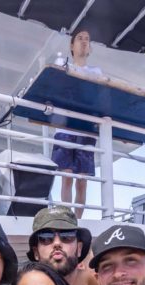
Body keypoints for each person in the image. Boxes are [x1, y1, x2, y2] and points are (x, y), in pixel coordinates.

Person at [52, 30, 103, 219]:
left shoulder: (96, 72)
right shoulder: (63, 67)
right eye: (80, 39)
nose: (84, 42)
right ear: (71, 46)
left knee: (82, 179)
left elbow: (96, 96)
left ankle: (78, 220)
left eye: (87, 39)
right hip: (65, 127)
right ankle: (66, 217)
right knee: (66, 176)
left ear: (90, 48)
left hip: (86, 128)